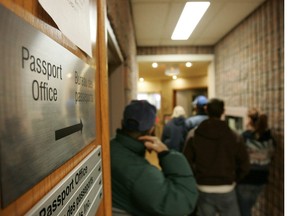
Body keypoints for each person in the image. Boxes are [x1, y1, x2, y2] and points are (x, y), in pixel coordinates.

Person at [110, 100, 199, 216]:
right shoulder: (140, 172)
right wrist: (166, 154)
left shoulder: (109, 148)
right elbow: (184, 201)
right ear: (151, 129)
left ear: (122, 123)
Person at [183, 98, 250, 216]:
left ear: (206, 110)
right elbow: (245, 164)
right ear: (223, 111)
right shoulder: (234, 136)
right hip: (227, 187)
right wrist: (234, 179)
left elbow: (186, 162)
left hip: (203, 187)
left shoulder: (194, 135)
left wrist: (196, 177)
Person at [236, 108, 275, 216]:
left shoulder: (245, 137)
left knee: (244, 211)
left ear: (249, 121)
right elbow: (271, 156)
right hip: (261, 180)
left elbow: (237, 157)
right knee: (248, 208)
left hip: (246, 179)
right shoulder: (270, 138)